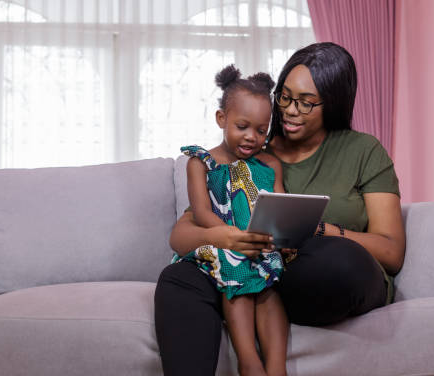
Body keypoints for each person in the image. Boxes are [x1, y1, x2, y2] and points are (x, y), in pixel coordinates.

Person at [154, 42, 406, 375]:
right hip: (261, 266)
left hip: (329, 274)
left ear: (333, 102)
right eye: (284, 97)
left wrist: (321, 230)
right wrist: (228, 240)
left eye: (305, 102)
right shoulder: (252, 151)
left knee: (339, 262)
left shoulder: (362, 151)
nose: (289, 110)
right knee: (179, 278)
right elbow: (188, 230)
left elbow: (391, 252)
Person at [176, 64, 288, 376]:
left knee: (269, 284)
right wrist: (234, 238)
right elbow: (201, 213)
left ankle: (277, 367)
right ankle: (249, 363)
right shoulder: (201, 163)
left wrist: (281, 237)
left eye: (261, 130)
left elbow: (279, 206)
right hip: (219, 242)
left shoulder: (270, 164)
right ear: (221, 119)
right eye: (242, 126)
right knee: (237, 266)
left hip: (261, 242)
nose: (252, 137)